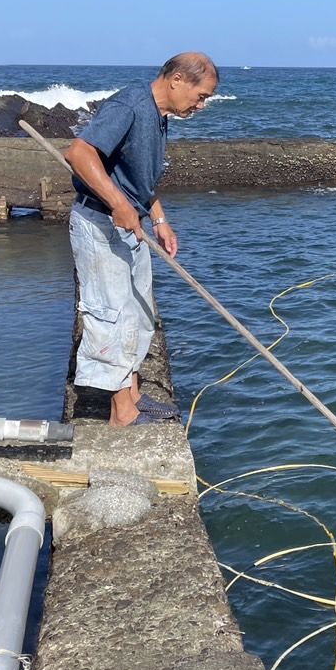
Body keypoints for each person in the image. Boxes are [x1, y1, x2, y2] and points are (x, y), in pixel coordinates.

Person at [64, 52, 218, 426]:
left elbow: (138, 178)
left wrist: (160, 219)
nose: (201, 105)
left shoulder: (159, 117)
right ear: (178, 79)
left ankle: (133, 393)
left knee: (140, 313)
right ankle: (123, 414)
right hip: (100, 224)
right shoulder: (131, 105)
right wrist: (118, 203)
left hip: (129, 225)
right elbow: (80, 153)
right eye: (201, 96)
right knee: (112, 315)